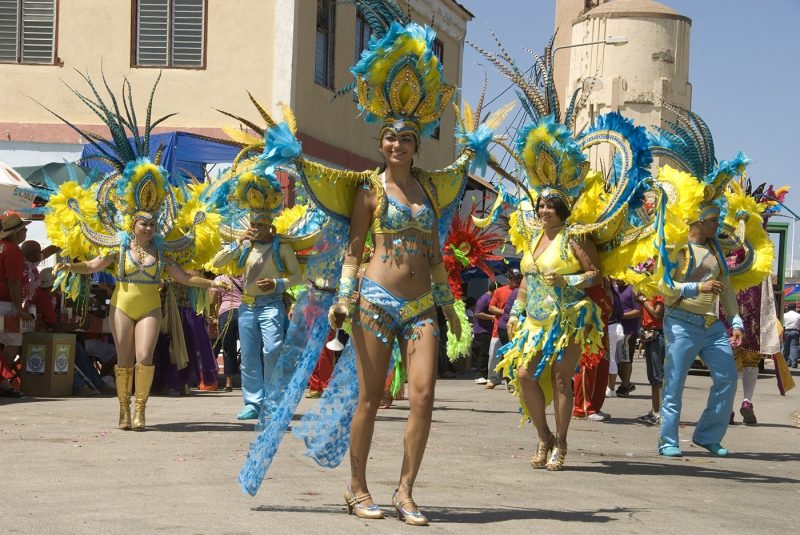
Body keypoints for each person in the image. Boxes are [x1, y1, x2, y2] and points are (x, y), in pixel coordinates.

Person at [43, 74, 225, 430]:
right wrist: (71, 266)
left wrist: (211, 283)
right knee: (124, 358)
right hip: (122, 306)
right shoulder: (119, 249)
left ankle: (141, 410)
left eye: (153, 224)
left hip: (151, 306)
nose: (150, 228)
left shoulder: (162, 253)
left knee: (144, 356)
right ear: (132, 225)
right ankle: (123, 409)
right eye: (144, 224)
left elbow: (183, 277)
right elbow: (95, 263)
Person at [647, 106, 763, 457]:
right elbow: (664, 288)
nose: (717, 226)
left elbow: (726, 289)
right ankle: (668, 440)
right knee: (675, 382)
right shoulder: (678, 249)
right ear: (697, 221)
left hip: (712, 326)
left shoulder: (715, 248)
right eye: (713, 221)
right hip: (680, 322)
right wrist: (697, 287)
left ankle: (708, 435)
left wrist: (738, 320)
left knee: (727, 378)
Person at [0, 215, 32, 397]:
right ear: (16, 232)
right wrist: (19, 307)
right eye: (24, 229)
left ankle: (3, 381)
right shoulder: (13, 251)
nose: (27, 231)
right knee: (13, 342)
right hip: (5, 304)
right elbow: (13, 281)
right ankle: (3, 381)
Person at [487, 270, 521, 389]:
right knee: (494, 356)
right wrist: (504, 312)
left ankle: (509, 380)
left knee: (511, 355)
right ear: (508, 279)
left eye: (518, 279)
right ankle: (493, 378)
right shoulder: (499, 291)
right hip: (499, 328)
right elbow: (491, 307)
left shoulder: (522, 290)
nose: (517, 281)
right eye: (514, 279)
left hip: (514, 329)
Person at [636, 293, 665, 425]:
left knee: (658, 376)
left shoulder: (659, 291)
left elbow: (656, 314)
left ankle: (660, 413)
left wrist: (643, 299)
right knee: (653, 376)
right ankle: (655, 410)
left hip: (658, 334)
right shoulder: (648, 289)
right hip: (649, 333)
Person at [211, 274, 242, 392]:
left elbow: (211, 300)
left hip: (225, 313)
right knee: (248, 347)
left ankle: (229, 382)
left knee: (228, 347)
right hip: (244, 312)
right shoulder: (245, 276)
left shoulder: (219, 279)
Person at [471, 281, 496, 385]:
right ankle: (480, 375)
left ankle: (484, 374)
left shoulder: (490, 298)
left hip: (488, 330)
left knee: (486, 353)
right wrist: (492, 317)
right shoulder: (485, 298)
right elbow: (478, 313)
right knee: (483, 353)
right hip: (482, 330)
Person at [783, 303, 800, 368]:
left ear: (788, 308)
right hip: (795, 332)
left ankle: (785, 361)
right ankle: (793, 363)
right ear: (795, 308)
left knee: (786, 347)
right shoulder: (798, 315)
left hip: (786, 331)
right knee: (794, 347)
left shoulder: (784, 315)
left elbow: (783, 324)